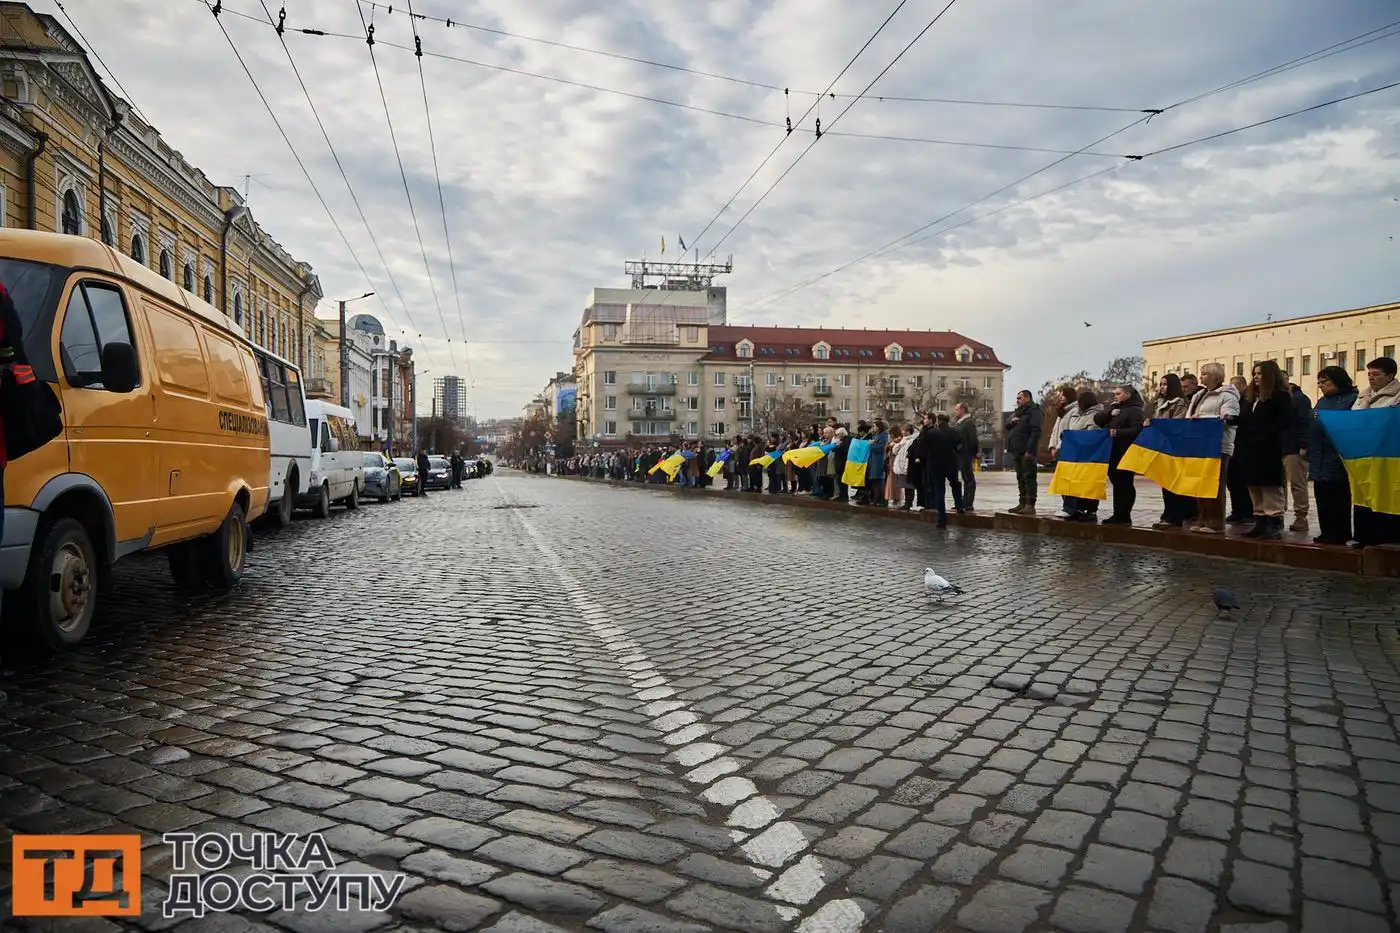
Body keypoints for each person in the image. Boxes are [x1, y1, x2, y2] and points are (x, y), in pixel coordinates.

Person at [1236, 360, 1293, 540]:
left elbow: (1284, 422)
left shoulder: (1279, 397)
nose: (1256, 377)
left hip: (1268, 449)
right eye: (1254, 374)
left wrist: (1265, 436)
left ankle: (1273, 522)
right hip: (1249, 448)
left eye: (1260, 374)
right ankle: (1259, 520)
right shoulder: (1251, 397)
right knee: (1254, 485)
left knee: (1269, 486)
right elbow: (1245, 419)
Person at [1308, 366, 1358, 545]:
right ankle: (1326, 531)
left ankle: (1340, 532)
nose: (1321, 385)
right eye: (1319, 382)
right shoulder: (1322, 401)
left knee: (1339, 498)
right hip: (1318, 456)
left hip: (1337, 456)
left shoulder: (1351, 399)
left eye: (1325, 382)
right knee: (1322, 496)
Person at [1097, 385, 1145, 525]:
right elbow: (1098, 420)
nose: (1115, 396)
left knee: (1125, 484)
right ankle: (1118, 513)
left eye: (1118, 393)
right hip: (1113, 450)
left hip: (1126, 451)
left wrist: (1119, 433)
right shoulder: (1115, 408)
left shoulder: (1135, 410)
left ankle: (1124, 514)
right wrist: (1109, 412)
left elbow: (1137, 429)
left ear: (1128, 395)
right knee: (1116, 483)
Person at [1005, 389, 1043, 514]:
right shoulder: (1019, 412)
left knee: (1029, 477)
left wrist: (1029, 450)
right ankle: (1022, 503)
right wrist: (1011, 421)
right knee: (1020, 477)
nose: (1017, 400)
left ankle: (1030, 504)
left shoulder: (1034, 410)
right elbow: (1006, 426)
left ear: (1027, 398)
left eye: (1019, 398)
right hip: (1016, 449)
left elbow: (1036, 431)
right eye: (1017, 398)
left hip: (1027, 450)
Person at [1284, 379, 1313, 532]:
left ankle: (1301, 517)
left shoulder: (1299, 399)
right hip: (1279, 448)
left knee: (1297, 483)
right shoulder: (1275, 398)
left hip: (1294, 448)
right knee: (1278, 485)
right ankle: (1276, 516)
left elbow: (1305, 422)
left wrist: (1304, 444)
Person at [953, 402, 979, 510]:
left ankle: (969, 502)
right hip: (961, 453)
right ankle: (964, 501)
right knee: (965, 478)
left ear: (962, 410)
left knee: (969, 478)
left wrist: (974, 452)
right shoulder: (961, 423)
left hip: (966, 452)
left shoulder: (968, 423)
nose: (955, 411)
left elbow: (973, 439)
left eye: (956, 409)